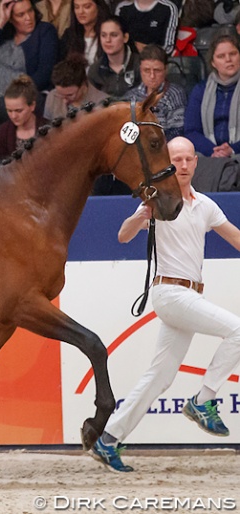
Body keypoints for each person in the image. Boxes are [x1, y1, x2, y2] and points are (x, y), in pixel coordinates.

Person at [91, 136, 240, 472]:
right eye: (178, 159)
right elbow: (123, 235)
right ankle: (203, 401)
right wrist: (141, 213)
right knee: (238, 331)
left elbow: (235, 237)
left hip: (189, 296)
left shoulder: (205, 205)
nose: (184, 165)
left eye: (189, 159)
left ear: (196, 163)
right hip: (170, 292)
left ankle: (109, 439)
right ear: (167, 162)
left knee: (159, 376)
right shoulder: (158, 200)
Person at [0, 0, 59, 123]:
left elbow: (45, 72)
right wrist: (1, 21)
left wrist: (17, 95)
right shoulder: (3, 33)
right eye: (20, 15)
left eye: (30, 11)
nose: (28, 18)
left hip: (21, 100)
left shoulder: (44, 31)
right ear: (11, 18)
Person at [184, 33, 240, 158]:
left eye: (233, 54)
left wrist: (232, 150)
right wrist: (213, 151)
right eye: (221, 56)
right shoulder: (200, 90)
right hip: (209, 154)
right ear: (213, 63)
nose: (228, 59)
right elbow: (191, 131)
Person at [124, 44, 187, 141]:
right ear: (140, 70)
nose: (152, 76)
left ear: (166, 70)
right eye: (146, 70)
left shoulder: (175, 94)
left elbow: (177, 131)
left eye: (157, 70)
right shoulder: (131, 96)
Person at [0, 74, 47, 160]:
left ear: (32, 106)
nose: (13, 116)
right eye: (9, 110)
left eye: (19, 111)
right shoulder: (3, 132)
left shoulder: (47, 129)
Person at [87, 15, 140, 98]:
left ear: (125, 37)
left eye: (114, 35)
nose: (108, 40)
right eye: (103, 35)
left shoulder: (140, 65)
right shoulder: (95, 70)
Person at [44, 54, 107, 120]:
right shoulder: (52, 96)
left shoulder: (102, 103)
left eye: (70, 95)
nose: (65, 101)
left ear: (83, 85)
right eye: (60, 94)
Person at [59, 0, 110, 66]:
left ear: (98, 8)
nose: (80, 12)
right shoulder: (69, 34)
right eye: (76, 7)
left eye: (87, 7)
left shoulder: (109, 34)